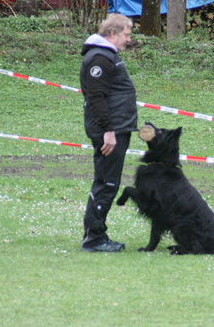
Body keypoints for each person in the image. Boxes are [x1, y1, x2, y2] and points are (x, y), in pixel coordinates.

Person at [79, 14, 137, 252]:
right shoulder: (99, 59)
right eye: (126, 34)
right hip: (109, 132)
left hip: (116, 128)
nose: (128, 39)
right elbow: (96, 98)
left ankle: (95, 232)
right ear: (113, 33)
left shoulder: (106, 56)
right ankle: (94, 238)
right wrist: (109, 131)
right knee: (107, 182)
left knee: (106, 181)